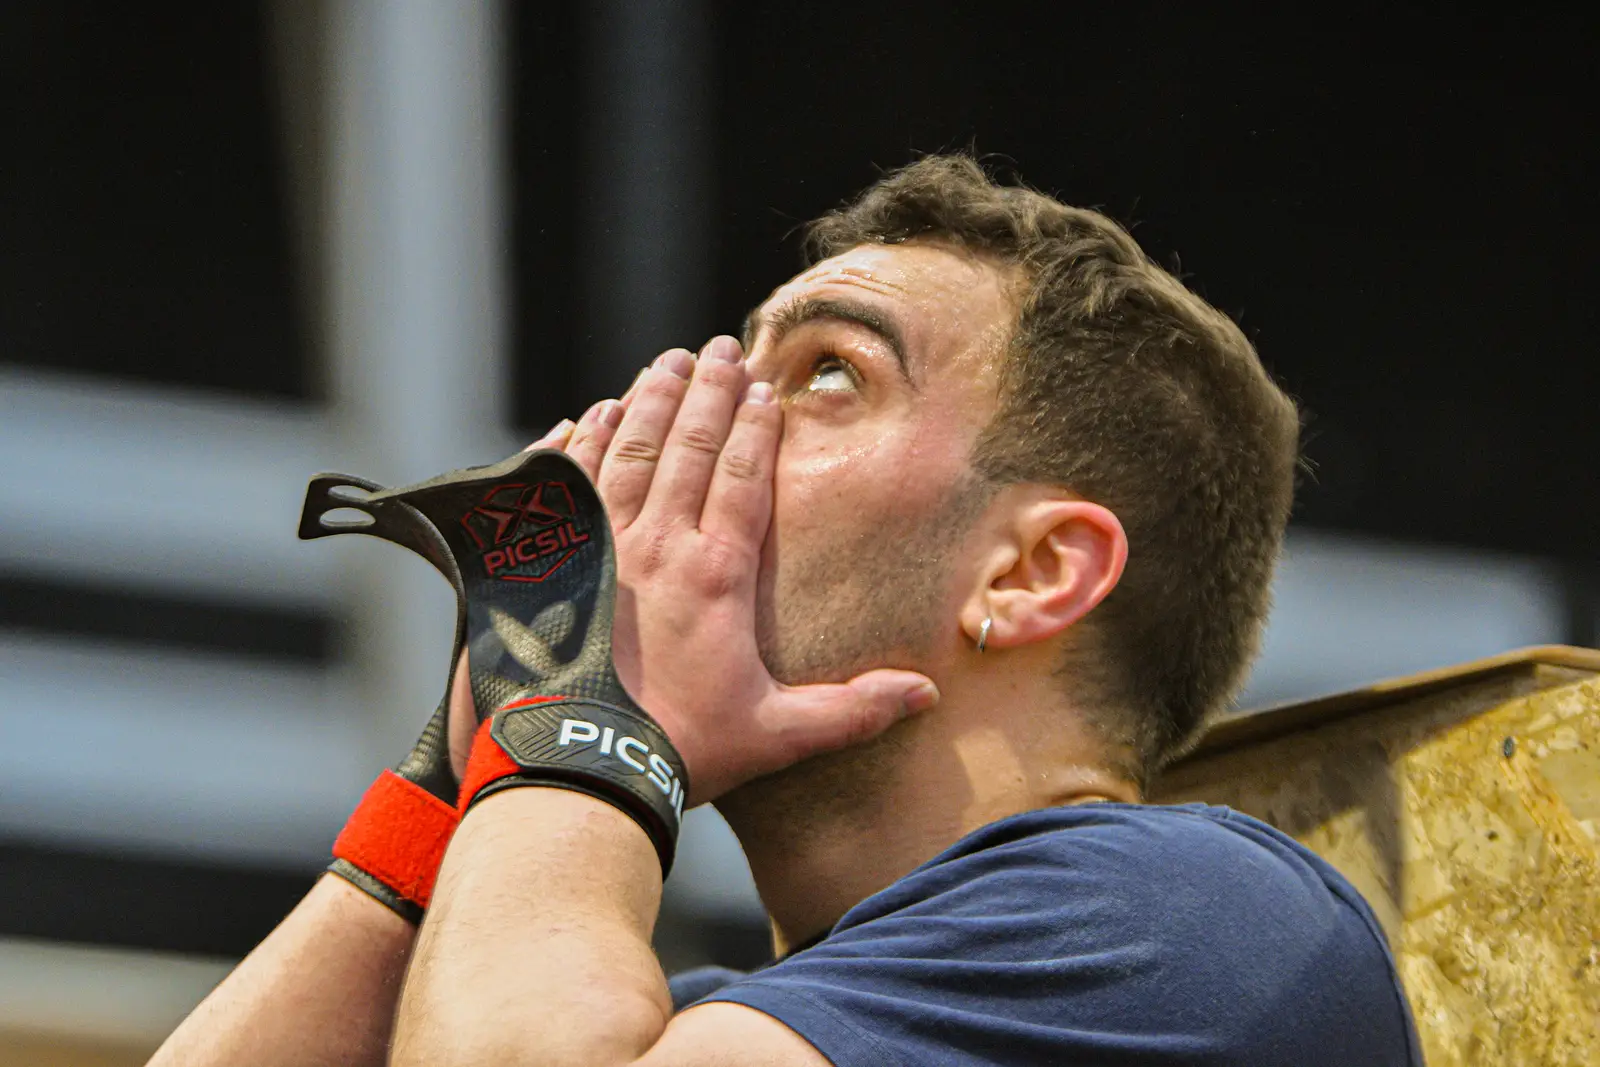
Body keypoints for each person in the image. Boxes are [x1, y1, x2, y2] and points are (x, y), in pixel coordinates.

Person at [150, 155, 1421, 1066]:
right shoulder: (694, 1012)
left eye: (825, 374)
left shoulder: (1183, 925)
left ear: (1032, 572)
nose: (697, 424)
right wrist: (457, 777)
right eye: (729, 365)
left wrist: (581, 722)